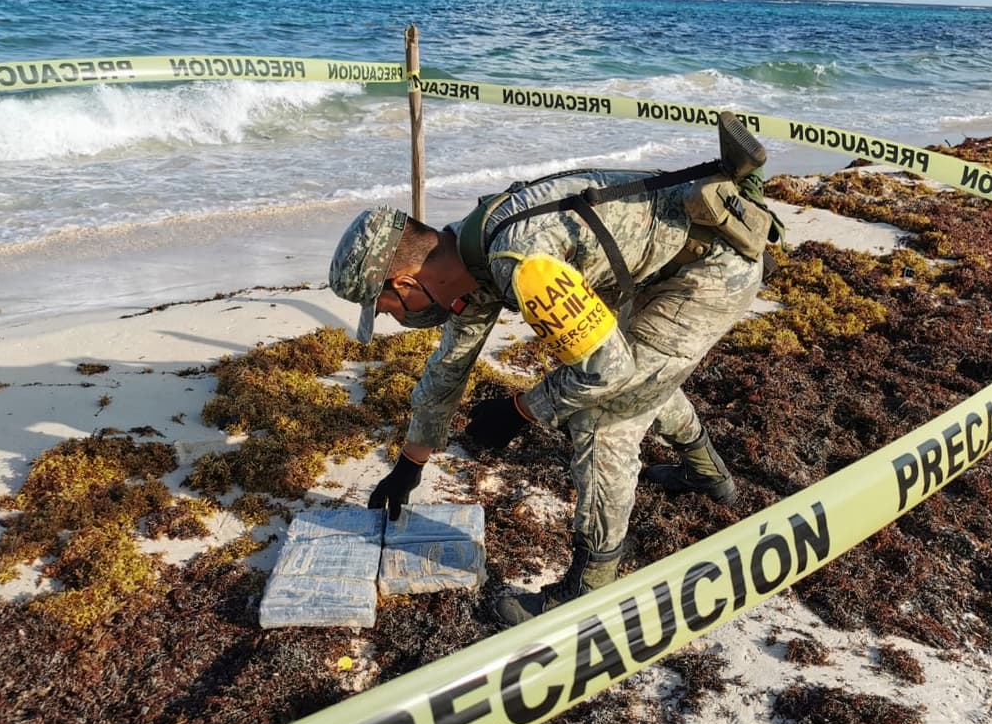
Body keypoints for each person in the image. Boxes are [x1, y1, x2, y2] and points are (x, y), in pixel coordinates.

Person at [329, 128, 780, 625]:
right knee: (641, 379)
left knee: (604, 414)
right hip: (658, 265)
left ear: (407, 282)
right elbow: (449, 368)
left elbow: (608, 370)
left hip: (709, 272)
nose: (393, 318)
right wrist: (410, 464)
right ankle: (708, 474)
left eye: (386, 307)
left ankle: (590, 584)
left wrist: (521, 411)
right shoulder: (466, 253)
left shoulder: (521, 263)